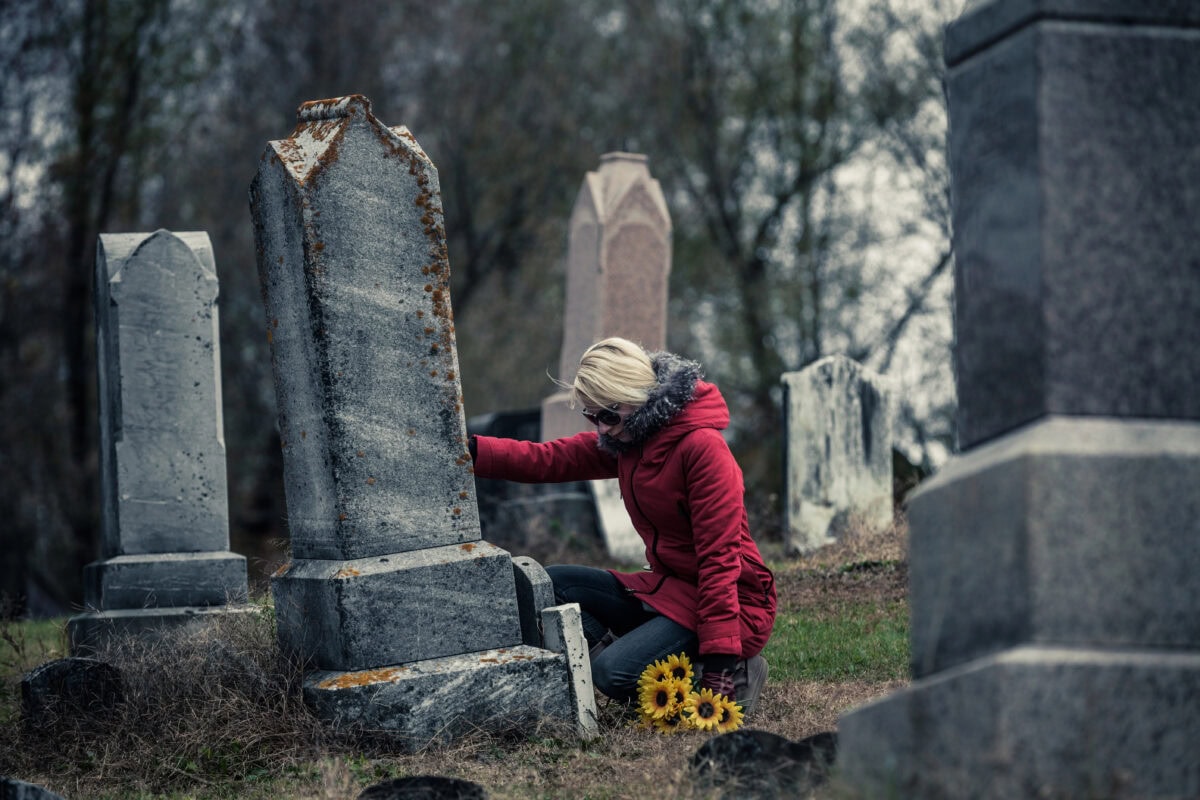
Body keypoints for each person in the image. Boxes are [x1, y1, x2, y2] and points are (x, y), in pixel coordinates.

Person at [468, 337, 776, 715]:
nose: (603, 428)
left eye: (609, 415)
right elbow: (548, 459)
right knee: (554, 584)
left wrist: (720, 663)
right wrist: (468, 451)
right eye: (592, 416)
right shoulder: (632, 439)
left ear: (636, 395)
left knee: (612, 674)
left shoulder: (703, 450)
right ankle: (650, 652)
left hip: (736, 604)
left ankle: (737, 669)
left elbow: (720, 562)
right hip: (670, 590)